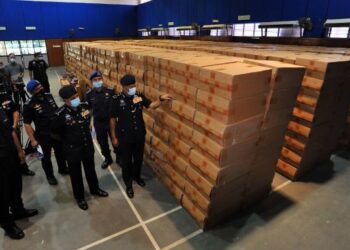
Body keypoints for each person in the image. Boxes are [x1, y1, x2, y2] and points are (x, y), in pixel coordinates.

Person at [110, 74, 173, 198]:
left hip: (139, 134)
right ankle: (128, 184)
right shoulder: (117, 100)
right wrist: (114, 137)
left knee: (138, 159)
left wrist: (160, 99)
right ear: (123, 87)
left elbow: (151, 105)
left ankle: (137, 177)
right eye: (130, 87)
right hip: (124, 137)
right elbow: (112, 119)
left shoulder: (138, 96)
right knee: (127, 162)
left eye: (134, 85)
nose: (133, 88)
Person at [51, 85, 109, 210]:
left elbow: (88, 121)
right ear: (65, 100)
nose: (76, 98)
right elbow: (55, 134)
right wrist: (68, 142)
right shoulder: (60, 114)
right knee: (75, 175)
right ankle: (80, 197)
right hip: (72, 150)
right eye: (73, 98)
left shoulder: (84, 107)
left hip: (86, 145)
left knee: (91, 170)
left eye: (76, 96)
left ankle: (95, 189)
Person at [0, 106, 38, 240]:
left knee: (15, 185)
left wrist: (19, 150)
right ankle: (8, 225)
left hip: (10, 156)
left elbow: (11, 131)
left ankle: (18, 211)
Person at [23, 80, 69, 185]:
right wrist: (33, 140)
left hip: (56, 132)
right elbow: (27, 124)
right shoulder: (28, 105)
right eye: (37, 88)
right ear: (31, 92)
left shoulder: (49, 96)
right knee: (45, 157)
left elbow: (56, 111)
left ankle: (62, 168)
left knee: (60, 152)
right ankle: (50, 176)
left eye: (40, 86)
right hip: (43, 135)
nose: (40, 88)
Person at [85, 71, 121, 169]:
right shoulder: (88, 94)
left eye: (99, 79)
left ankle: (119, 157)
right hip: (98, 123)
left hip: (111, 122)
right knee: (102, 142)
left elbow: (117, 106)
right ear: (91, 81)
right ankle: (108, 158)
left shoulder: (110, 91)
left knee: (116, 140)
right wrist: (88, 123)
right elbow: (88, 110)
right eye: (95, 80)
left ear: (102, 79)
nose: (98, 81)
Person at [0, 82, 35, 176]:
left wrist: (14, 125)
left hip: (12, 129)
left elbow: (15, 110)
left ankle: (24, 168)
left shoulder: (5, 96)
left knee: (19, 149)